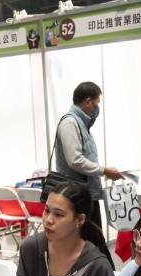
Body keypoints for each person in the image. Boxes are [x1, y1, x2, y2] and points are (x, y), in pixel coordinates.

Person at [14, 181, 116, 276]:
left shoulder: (97, 267)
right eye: (47, 210)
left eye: (59, 214)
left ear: (80, 220)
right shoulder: (31, 249)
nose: (48, 220)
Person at [55, 81, 122, 227]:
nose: (97, 108)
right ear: (88, 102)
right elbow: (75, 160)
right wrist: (104, 170)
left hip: (85, 194)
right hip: (75, 197)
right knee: (87, 237)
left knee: (93, 237)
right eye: (97, 103)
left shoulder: (81, 124)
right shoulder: (70, 123)